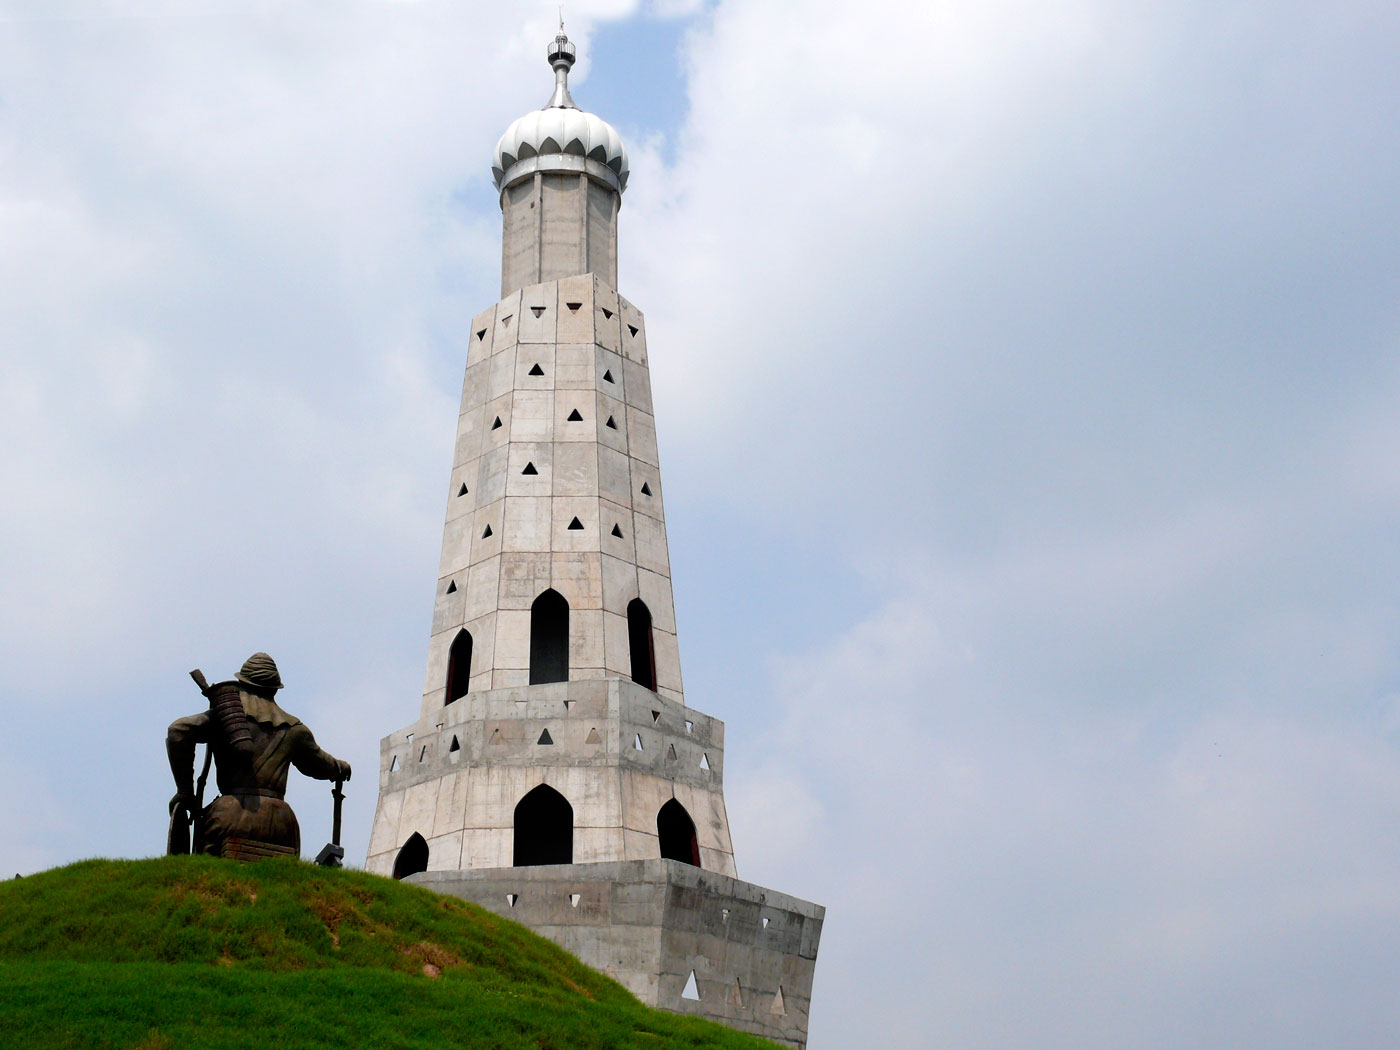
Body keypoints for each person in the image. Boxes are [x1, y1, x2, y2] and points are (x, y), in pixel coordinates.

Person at [166, 653, 350, 860]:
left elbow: (178, 731)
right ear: (274, 690)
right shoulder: (295, 730)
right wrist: (341, 767)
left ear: (242, 683)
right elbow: (319, 764)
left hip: (228, 814)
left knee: (214, 883)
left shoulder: (227, 717)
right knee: (278, 884)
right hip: (280, 821)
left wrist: (184, 791)